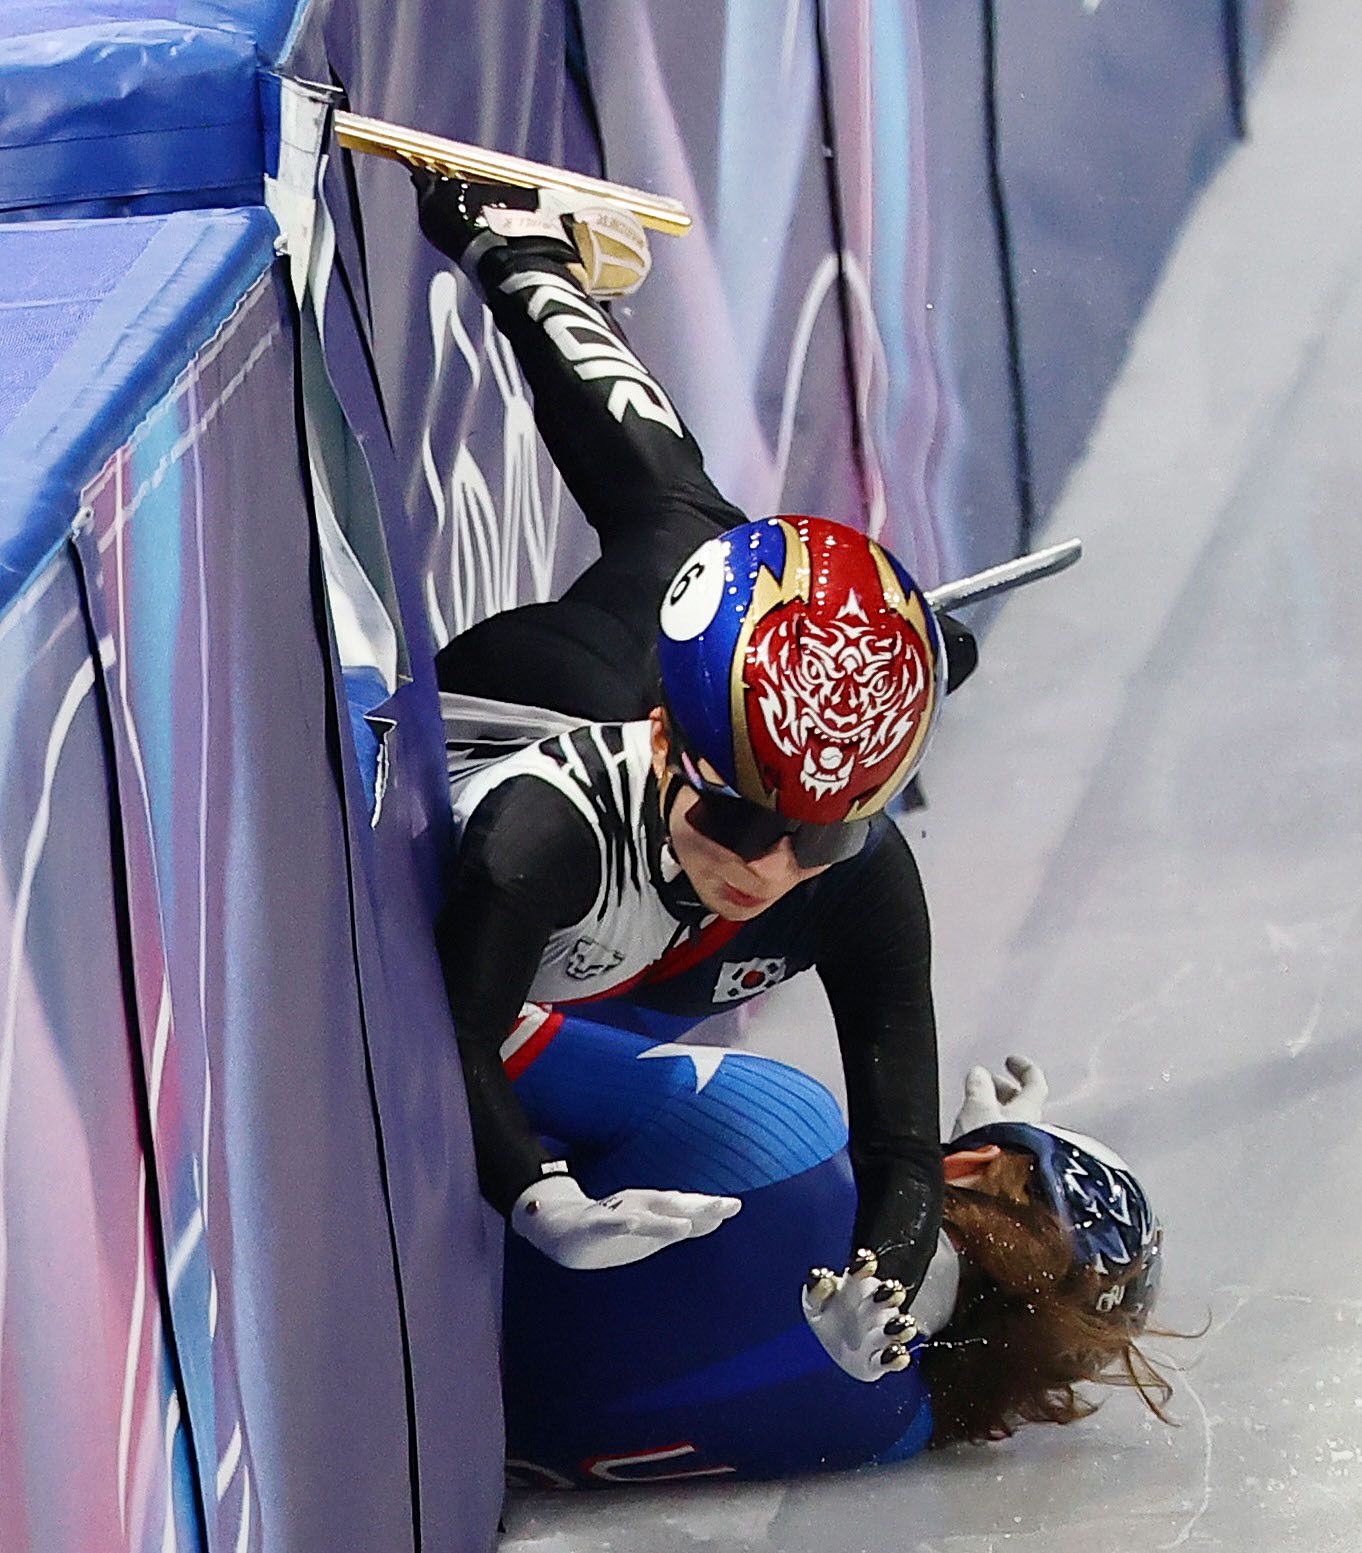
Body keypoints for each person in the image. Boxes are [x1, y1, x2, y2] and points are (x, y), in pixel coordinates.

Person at [417, 169, 979, 1315]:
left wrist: (883, 1281)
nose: (767, 866)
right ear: (673, 742)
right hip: (548, 694)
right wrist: (536, 1194)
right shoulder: (549, 828)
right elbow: (456, 1033)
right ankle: (512, 245)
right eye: (740, 816)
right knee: (685, 528)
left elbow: (903, 1150)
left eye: (817, 836)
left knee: (702, 532)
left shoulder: (859, 876)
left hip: (653, 818)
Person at [498, 1036, 1168, 1484]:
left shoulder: (784, 1126)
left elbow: (475, 1031)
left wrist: (946, 1161)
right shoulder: (889, 1435)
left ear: (971, 1162)